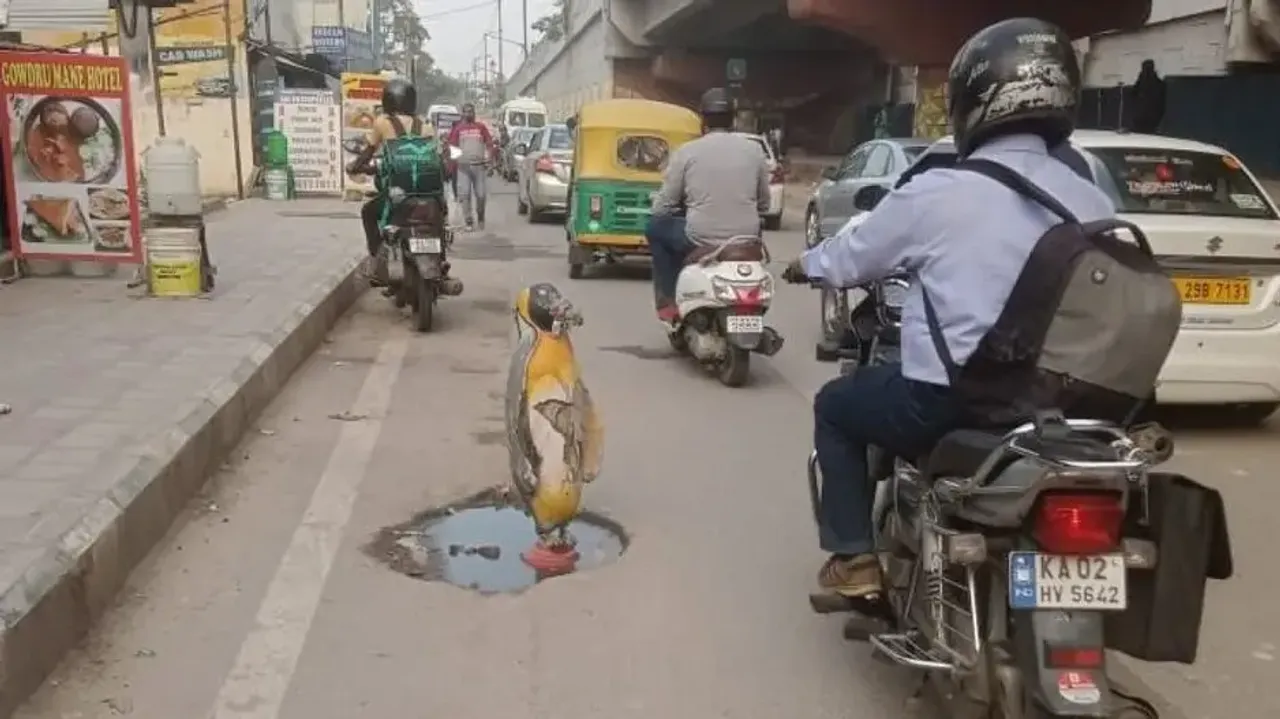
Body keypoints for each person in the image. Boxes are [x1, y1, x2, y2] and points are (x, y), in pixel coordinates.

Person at [780, 17, 1117, 600]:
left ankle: (855, 561)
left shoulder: (938, 191)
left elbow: (852, 256)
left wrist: (806, 264)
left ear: (972, 103)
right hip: (1066, 399)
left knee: (837, 406)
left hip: (954, 399)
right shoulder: (1090, 197)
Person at [647, 87, 770, 324]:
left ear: (702, 120)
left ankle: (669, 301)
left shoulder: (687, 152)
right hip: (746, 238)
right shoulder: (754, 151)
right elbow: (764, 203)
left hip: (700, 238)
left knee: (656, 228)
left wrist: (661, 209)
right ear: (733, 119)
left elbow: (666, 203)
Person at [346, 77, 442, 284]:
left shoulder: (383, 122)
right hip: (429, 194)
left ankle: (374, 261)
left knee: (368, 212)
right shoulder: (425, 124)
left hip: (398, 194)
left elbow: (368, 152)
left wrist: (354, 166)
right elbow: (437, 154)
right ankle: (441, 260)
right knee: (441, 217)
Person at [447, 103, 496, 230]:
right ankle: (468, 221)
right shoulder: (458, 129)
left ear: (474, 113)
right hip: (463, 167)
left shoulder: (481, 127)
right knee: (465, 195)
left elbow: (489, 143)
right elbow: (453, 147)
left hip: (479, 167)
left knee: (481, 195)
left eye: (471, 112)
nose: (468, 114)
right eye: (466, 112)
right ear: (462, 114)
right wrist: (452, 167)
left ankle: (481, 216)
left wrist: (490, 161)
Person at [1130, 59, 1166, 134]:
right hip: (1153, 116)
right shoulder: (1159, 83)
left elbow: (1133, 93)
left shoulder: (1142, 81)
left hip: (1141, 115)